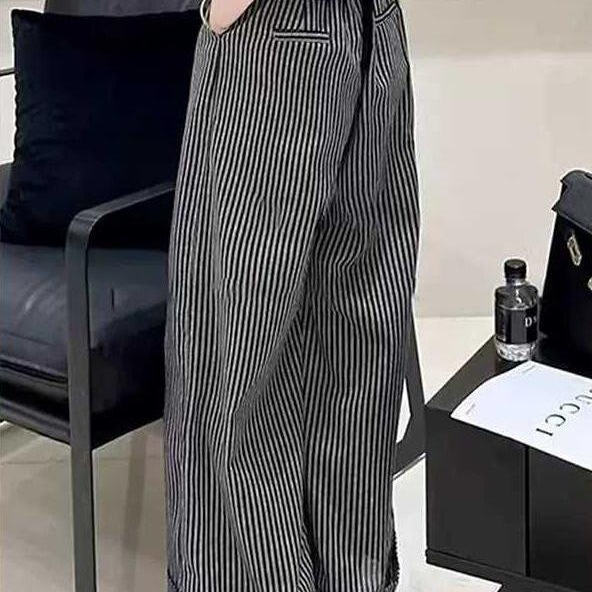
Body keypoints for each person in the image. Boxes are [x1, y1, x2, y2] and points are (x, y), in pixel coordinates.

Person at [163, 0, 421, 590]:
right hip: (372, 28)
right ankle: (351, 573)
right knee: (359, 327)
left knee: (235, 346)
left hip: (275, 43)